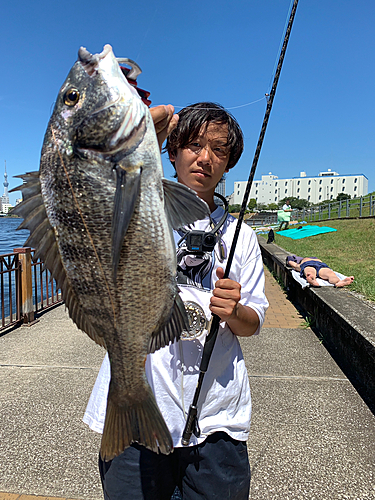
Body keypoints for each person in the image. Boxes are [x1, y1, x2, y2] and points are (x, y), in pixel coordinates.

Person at [83, 102, 269, 500]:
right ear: (171, 151)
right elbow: (86, 183)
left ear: (229, 163)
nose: (206, 158)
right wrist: (136, 132)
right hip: (134, 417)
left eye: (219, 149)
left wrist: (235, 312)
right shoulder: (134, 209)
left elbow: (252, 323)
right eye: (194, 145)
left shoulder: (243, 238)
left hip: (216, 419)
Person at [287, 256, 354, 288]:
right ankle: (338, 282)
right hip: (321, 264)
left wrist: (290, 262)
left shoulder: (302, 261)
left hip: (307, 264)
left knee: (309, 270)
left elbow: (294, 265)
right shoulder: (317, 258)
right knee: (330, 273)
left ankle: (312, 278)